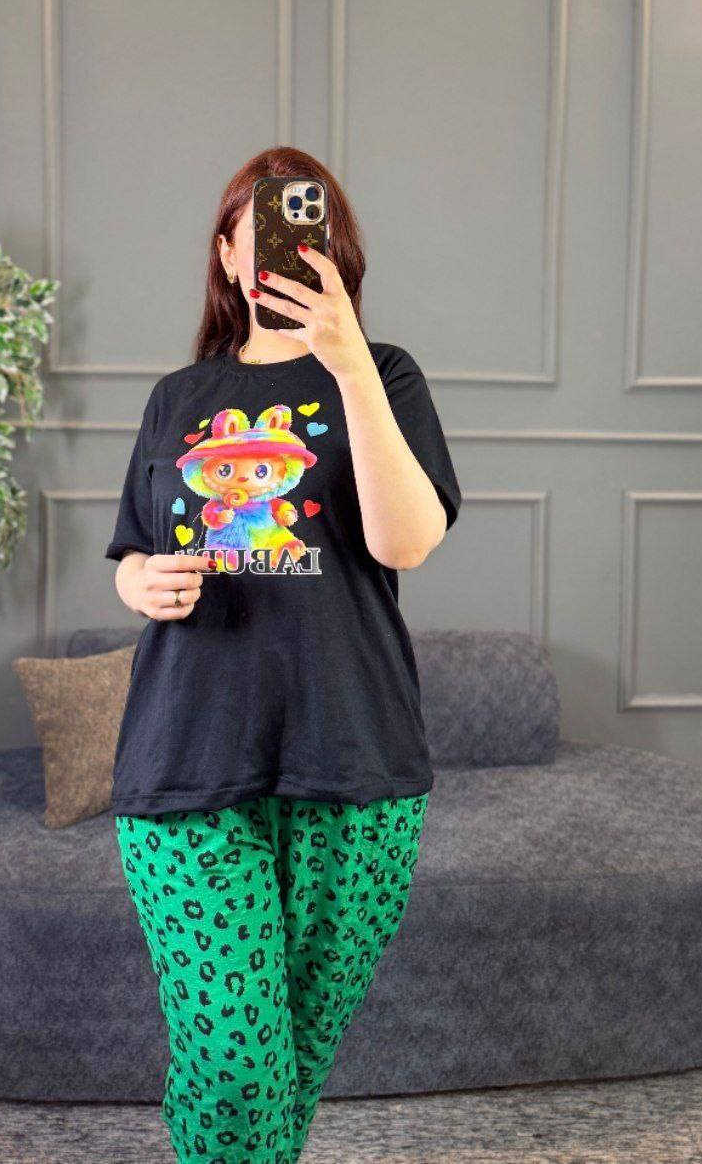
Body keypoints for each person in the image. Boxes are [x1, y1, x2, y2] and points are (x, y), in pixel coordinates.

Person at [107, 146, 461, 1163]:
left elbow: (406, 543)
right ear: (227, 255)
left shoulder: (387, 376)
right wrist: (140, 583)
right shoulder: (178, 395)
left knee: (291, 1060)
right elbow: (133, 552)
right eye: (253, 229)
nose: (278, 248)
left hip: (353, 760)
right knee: (236, 1062)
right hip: (184, 756)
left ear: (334, 251)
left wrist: (347, 365)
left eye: (306, 228)